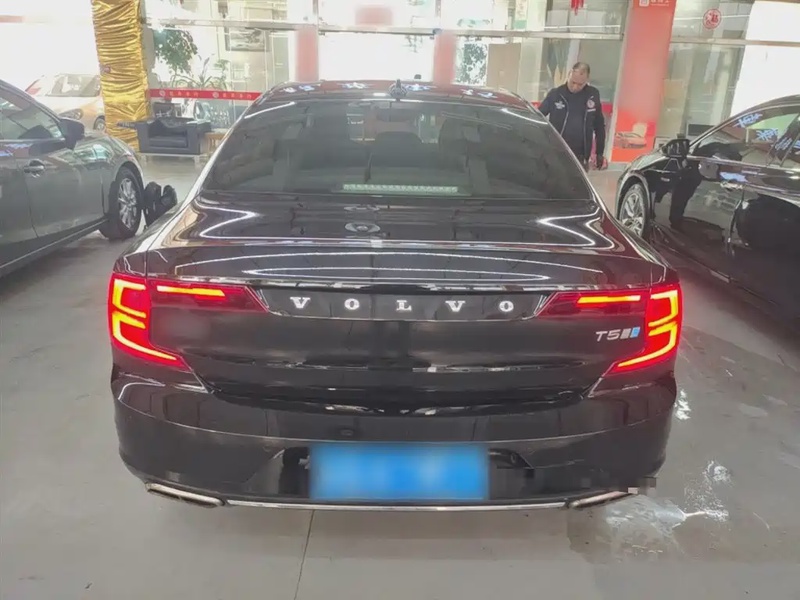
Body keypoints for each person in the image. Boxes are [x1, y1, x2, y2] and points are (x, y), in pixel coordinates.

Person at [539, 62, 607, 171]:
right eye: (573, 82)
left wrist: (599, 152)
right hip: (556, 153)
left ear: (586, 80)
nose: (575, 87)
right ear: (569, 74)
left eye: (580, 84)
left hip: (580, 156)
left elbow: (599, 126)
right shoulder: (556, 94)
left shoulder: (592, 96)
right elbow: (538, 117)